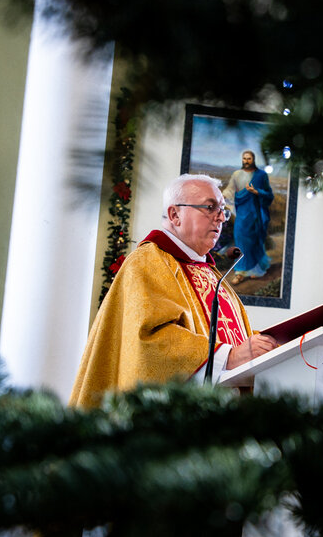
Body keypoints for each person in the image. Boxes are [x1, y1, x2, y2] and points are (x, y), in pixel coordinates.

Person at [69, 173, 279, 408]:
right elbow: (148, 342)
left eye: (223, 210)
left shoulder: (212, 274)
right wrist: (228, 356)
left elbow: (232, 337)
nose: (221, 218)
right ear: (174, 214)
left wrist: (271, 344)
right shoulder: (148, 262)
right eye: (210, 207)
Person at [222, 150, 274, 285]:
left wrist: (256, 191)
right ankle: (240, 272)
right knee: (240, 241)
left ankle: (255, 270)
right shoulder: (237, 174)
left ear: (253, 159)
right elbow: (230, 189)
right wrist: (224, 195)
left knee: (253, 241)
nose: (246, 161)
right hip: (241, 213)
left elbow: (269, 195)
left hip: (254, 213)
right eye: (244, 158)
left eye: (249, 158)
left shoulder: (261, 175)